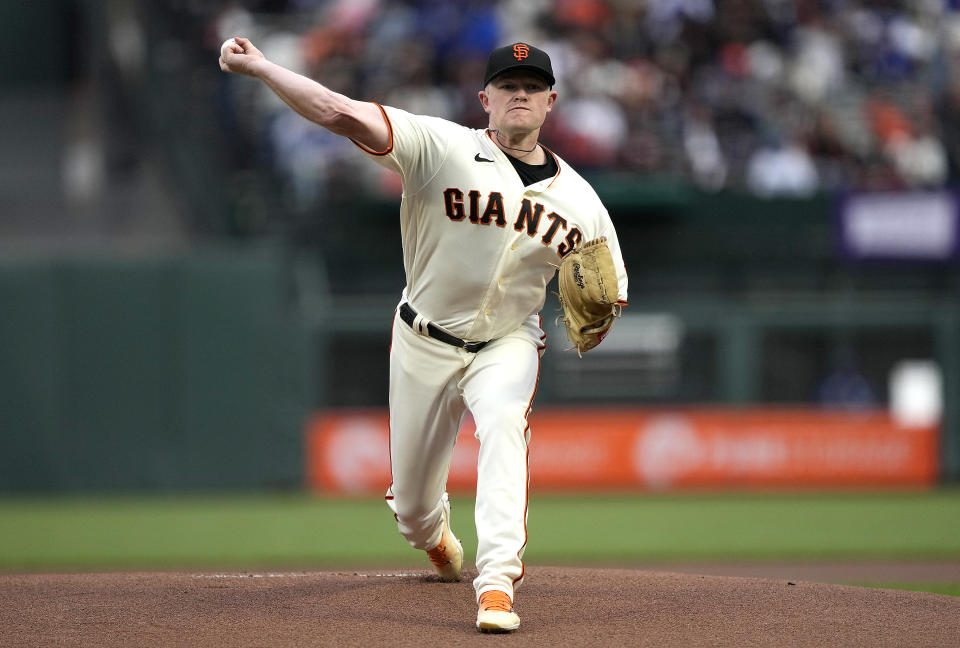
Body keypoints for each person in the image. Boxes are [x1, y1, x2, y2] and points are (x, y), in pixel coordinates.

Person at [220, 37, 628, 633]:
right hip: (423, 339)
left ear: (551, 102)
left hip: (507, 342)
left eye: (533, 87)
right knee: (411, 511)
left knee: (504, 428)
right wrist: (261, 68)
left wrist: (606, 308)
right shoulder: (441, 147)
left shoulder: (581, 202)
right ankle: (433, 536)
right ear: (483, 98)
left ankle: (495, 586)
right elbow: (340, 112)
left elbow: (610, 289)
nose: (521, 95)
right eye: (509, 87)